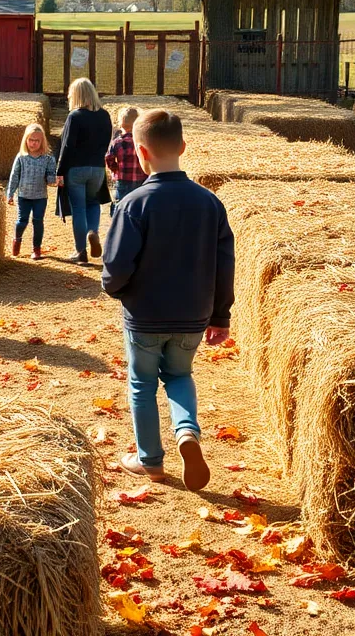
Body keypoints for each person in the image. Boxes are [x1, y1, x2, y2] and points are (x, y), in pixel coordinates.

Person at [100, 109, 235, 492]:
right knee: (179, 375)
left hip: (145, 315)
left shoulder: (134, 204)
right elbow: (225, 262)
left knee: (142, 382)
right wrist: (220, 315)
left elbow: (117, 264)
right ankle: (187, 432)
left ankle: (150, 462)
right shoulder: (210, 203)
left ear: (141, 153)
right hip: (193, 315)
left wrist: (115, 289)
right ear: (183, 147)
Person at [55, 78, 112, 264]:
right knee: (93, 204)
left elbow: (67, 147)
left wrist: (59, 171)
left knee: (78, 209)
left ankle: (80, 252)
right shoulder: (105, 115)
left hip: (76, 169)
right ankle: (93, 231)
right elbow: (106, 144)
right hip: (97, 168)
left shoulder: (75, 116)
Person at [6, 123, 57, 260]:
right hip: (23, 196)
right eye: (31, 140)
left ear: (42, 142)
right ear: (26, 140)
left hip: (40, 197)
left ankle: (37, 249)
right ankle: (17, 240)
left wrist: (54, 180)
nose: (33, 143)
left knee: (38, 221)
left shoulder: (48, 158)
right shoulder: (21, 157)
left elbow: (51, 174)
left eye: (37, 140)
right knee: (22, 221)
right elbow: (14, 176)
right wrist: (10, 194)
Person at [105, 105, 148, 211]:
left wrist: (115, 169)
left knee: (121, 204)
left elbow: (109, 158)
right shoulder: (143, 141)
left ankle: (119, 222)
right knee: (138, 205)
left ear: (121, 124)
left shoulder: (117, 142)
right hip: (141, 179)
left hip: (123, 178)